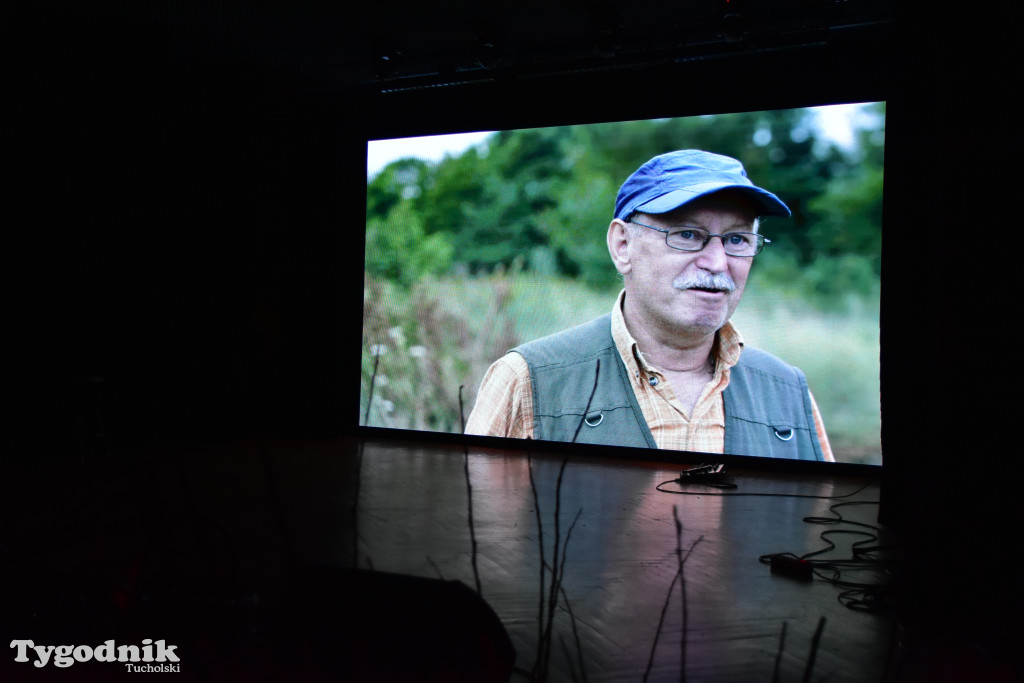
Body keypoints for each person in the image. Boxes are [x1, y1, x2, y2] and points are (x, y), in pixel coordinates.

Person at [466, 150, 834, 461]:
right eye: (688, 235)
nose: (719, 262)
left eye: (737, 239)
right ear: (622, 245)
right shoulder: (528, 381)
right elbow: (477, 534)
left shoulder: (788, 391)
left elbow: (821, 534)